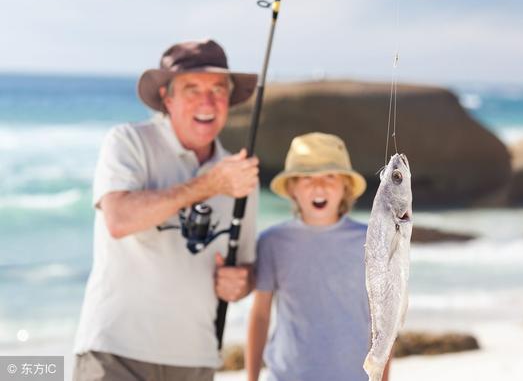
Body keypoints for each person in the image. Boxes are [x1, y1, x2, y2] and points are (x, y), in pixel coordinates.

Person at [73, 40, 260, 381]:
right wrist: (208, 185)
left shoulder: (241, 175)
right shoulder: (128, 141)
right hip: (115, 353)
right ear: (166, 98)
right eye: (192, 89)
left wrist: (241, 283)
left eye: (218, 90)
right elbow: (118, 219)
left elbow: (244, 269)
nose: (207, 101)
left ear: (229, 101)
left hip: (197, 359)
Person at [246, 132, 391, 381]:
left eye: (330, 176)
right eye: (306, 178)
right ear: (292, 188)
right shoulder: (272, 241)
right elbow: (260, 314)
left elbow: (382, 324)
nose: (319, 186)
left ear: (346, 186)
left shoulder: (370, 242)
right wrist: (251, 378)